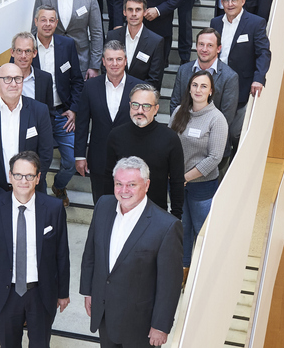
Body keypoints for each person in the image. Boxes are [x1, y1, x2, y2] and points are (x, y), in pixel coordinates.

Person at [80, 157, 183, 348]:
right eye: (119, 184)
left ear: (147, 185)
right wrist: (88, 291)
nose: (124, 190)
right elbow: (91, 253)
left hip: (139, 326)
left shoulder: (167, 226)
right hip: (104, 313)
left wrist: (161, 326)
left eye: (131, 184)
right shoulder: (103, 205)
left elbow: (170, 284)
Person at [0, 152, 70, 348]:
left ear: (38, 178)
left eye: (29, 176)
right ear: (10, 177)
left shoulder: (53, 208)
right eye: (18, 175)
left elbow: (62, 254)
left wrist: (63, 293)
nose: (23, 181)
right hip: (5, 293)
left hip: (41, 293)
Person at [169, 71, 228, 274]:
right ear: (189, 88)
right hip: (177, 184)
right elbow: (169, 143)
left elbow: (214, 158)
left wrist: (184, 178)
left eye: (203, 86)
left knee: (202, 230)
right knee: (182, 228)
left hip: (202, 186)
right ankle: (184, 270)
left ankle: (203, 273)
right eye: (195, 85)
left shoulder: (216, 119)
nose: (198, 90)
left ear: (211, 91)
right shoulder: (179, 112)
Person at [0, 63, 54, 202]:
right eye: (7, 79)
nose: (13, 84)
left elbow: (46, 153)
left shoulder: (39, 110)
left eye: (17, 79)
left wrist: (27, 185)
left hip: (32, 193)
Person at [74, 41, 143, 201]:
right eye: (110, 59)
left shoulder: (140, 88)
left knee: (129, 206)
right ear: (103, 62)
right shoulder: (90, 86)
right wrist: (79, 156)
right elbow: (82, 123)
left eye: (119, 59)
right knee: (101, 205)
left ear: (125, 61)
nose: (114, 64)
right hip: (99, 159)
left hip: (131, 160)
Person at [106, 84, 184, 219]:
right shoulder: (116, 135)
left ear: (156, 109)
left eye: (146, 106)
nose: (140, 110)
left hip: (156, 214)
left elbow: (177, 181)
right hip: (122, 213)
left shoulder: (170, 138)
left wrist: (176, 215)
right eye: (135, 105)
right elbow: (108, 178)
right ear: (130, 106)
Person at [33, 6, 84, 206]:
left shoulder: (67, 44)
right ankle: (43, 202)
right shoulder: (27, 46)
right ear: (36, 21)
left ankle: (59, 185)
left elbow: (77, 81)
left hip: (62, 112)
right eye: (43, 20)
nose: (47, 24)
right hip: (36, 116)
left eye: (52, 20)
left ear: (56, 23)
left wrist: (73, 109)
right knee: (38, 163)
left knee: (71, 162)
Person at [210, 0, 271, 149]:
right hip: (215, 82)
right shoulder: (215, 22)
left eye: (234, 0)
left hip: (241, 86)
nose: (230, 4)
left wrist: (259, 79)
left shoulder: (255, 23)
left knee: (234, 132)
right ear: (221, 3)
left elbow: (263, 53)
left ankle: (232, 166)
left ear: (242, 1)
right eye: (226, 0)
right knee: (215, 128)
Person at [32, 0, 104, 79]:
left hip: (81, 61)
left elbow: (97, 33)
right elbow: (35, 30)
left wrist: (94, 66)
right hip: (50, 62)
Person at [170, 28, 238, 125]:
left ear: (218, 49)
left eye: (210, 45)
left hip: (211, 134)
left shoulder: (230, 77)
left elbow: (227, 116)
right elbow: (175, 104)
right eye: (201, 44)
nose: (204, 49)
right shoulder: (183, 70)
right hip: (183, 129)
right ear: (196, 46)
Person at [104, 0, 165, 88]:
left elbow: (154, 79)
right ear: (124, 12)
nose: (134, 14)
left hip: (140, 98)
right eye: (130, 9)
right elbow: (105, 68)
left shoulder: (156, 41)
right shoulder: (112, 36)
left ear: (144, 12)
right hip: (113, 92)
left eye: (138, 10)